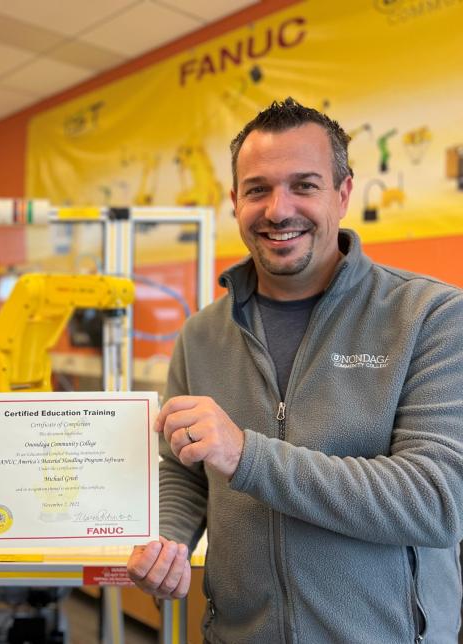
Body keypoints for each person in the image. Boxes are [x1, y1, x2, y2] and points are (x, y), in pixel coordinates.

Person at [127, 98, 463, 642]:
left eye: (304, 185)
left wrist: (247, 455)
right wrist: (168, 539)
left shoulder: (430, 316)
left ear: (343, 193)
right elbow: (182, 469)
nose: (278, 210)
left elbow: (437, 501)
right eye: (257, 189)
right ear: (235, 202)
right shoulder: (201, 334)